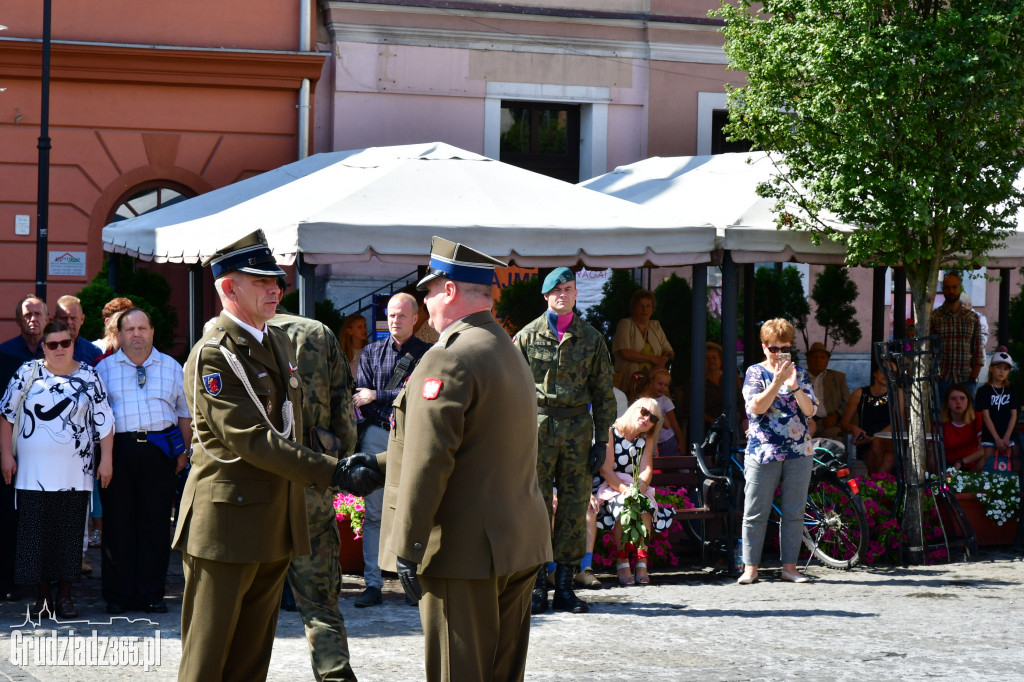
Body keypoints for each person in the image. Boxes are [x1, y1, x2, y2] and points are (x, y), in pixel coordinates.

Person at [349, 236, 551, 682]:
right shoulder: (506, 349)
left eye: (428, 290)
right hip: (516, 542)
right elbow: (475, 444)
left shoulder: (450, 356)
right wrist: (378, 465)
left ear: (450, 291)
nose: (425, 301)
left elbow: (430, 460)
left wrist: (409, 546)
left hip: (465, 552)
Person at [172, 230, 356, 682]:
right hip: (228, 526)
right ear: (228, 288)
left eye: (276, 280)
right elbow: (252, 439)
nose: (276, 288)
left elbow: (292, 423)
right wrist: (334, 471)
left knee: (250, 663)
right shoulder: (214, 355)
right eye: (260, 281)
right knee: (208, 662)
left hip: (274, 521)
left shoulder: (276, 341)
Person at [513, 267, 616, 615]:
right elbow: (511, 391)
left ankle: (567, 587)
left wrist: (601, 441)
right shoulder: (526, 337)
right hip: (537, 428)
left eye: (569, 289)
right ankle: (538, 585)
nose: (563, 295)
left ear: (575, 295)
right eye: (556, 290)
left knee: (573, 507)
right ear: (546, 296)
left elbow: (604, 394)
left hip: (576, 428)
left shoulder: (591, 338)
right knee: (537, 506)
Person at [270, 286, 360, 682]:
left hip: (256, 484)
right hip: (311, 478)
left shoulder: (229, 336)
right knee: (320, 601)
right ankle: (335, 675)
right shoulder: (318, 333)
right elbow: (345, 407)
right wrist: (334, 467)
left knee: (245, 601)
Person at [0, 321, 114, 618]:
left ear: (73, 344)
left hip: (76, 474)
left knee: (69, 537)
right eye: (53, 345)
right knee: (35, 536)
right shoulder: (27, 373)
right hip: (32, 474)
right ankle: (42, 598)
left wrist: (107, 459)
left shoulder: (89, 375)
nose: (60, 349)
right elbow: (6, 414)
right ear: (44, 347)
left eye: (66, 343)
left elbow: (105, 421)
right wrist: (5, 456)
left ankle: (65, 597)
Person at [95, 308, 190, 615]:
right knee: (118, 524)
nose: (136, 334)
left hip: (159, 451)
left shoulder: (172, 367)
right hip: (118, 451)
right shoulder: (104, 369)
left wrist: (183, 451)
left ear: (152, 332)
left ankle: (151, 593)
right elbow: (97, 418)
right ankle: (118, 594)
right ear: (119, 335)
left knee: (156, 524)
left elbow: (184, 413)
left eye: (142, 328)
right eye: (130, 329)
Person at [351, 292, 430, 608]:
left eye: (401, 315)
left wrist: (379, 396)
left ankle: (413, 583)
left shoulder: (427, 355)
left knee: (415, 510)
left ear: (415, 318)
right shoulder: (371, 353)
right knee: (373, 513)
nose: (395, 321)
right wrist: (386, 404)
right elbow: (360, 398)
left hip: (412, 440)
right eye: (391, 315)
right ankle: (373, 584)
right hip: (377, 437)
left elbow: (421, 397)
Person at [737, 318, 817, 585]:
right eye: (774, 349)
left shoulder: (801, 374)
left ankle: (790, 568)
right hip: (763, 450)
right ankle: (750, 568)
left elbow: (810, 411)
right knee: (756, 511)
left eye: (785, 349)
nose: (779, 354)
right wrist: (777, 382)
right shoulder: (755, 372)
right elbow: (756, 408)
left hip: (798, 451)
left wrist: (793, 386)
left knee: (794, 511)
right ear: (764, 347)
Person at [595, 397, 664, 586]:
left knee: (645, 505)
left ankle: (642, 562)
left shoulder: (646, 438)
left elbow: (646, 469)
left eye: (653, 419)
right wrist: (625, 490)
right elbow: (606, 470)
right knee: (624, 506)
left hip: (635, 486)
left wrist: (639, 489)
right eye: (644, 412)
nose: (647, 419)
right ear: (634, 409)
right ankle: (622, 560)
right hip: (611, 486)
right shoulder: (612, 432)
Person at [931, 272, 983, 399]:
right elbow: (929, 349)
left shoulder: (972, 318)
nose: (951, 291)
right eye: (947, 288)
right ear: (943, 290)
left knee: (965, 418)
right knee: (941, 418)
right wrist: (934, 374)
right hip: (942, 379)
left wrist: (973, 377)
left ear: (960, 288)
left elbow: (978, 350)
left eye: (954, 287)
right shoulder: (935, 317)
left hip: (966, 379)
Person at [841, 360, 899, 474]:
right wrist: (853, 428)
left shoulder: (897, 394)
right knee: (884, 456)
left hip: (889, 441)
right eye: (883, 370)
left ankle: (874, 486)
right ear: (875, 373)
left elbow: (897, 423)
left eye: (892, 372)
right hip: (865, 442)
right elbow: (844, 423)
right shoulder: (859, 393)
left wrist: (875, 438)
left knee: (886, 454)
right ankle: (880, 486)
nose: (887, 374)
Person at [612, 289, 674, 381]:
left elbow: (670, 352)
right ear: (634, 308)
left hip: (652, 382)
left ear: (652, 309)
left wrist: (661, 362)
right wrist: (653, 359)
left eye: (648, 306)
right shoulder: (625, 324)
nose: (645, 310)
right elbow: (625, 353)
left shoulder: (656, 326)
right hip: (630, 381)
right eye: (641, 306)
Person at [975, 349, 1018, 474]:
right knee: (987, 463)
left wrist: (1006, 437)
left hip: (1007, 435)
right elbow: (986, 416)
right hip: (990, 434)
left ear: (1009, 371)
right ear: (991, 368)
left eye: (1005, 369)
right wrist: (997, 439)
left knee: (1005, 465)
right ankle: (967, 481)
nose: (1002, 371)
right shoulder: (984, 391)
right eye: (998, 367)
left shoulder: (1011, 390)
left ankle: (1003, 491)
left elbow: (1014, 415)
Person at [0, 351, 21, 602]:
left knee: (6, 520)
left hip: (5, 454)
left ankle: (7, 581)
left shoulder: (9, 362)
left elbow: (10, 413)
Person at [805, 342, 849, 440]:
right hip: (803, 423)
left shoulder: (838, 378)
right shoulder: (799, 377)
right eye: (814, 357)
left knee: (833, 439)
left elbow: (847, 403)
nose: (818, 360)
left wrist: (837, 415)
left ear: (827, 361)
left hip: (828, 424)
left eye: (822, 357)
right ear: (807, 360)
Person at [941, 384, 984, 472]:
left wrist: (961, 462)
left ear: (968, 401)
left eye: (962, 398)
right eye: (953, 399)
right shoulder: (940, 423)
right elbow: (932, 455)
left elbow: (984, 449)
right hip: (948, 469)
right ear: (947, 403)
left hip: (973, 468)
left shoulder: (978, 417)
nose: (958, 402)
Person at [54, 295, 103, 366]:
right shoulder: (47, 348)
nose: (69, 322)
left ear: (82, 319)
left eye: (73, 318)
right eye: (64, 318)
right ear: (55, 319)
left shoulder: (93, 352)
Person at [0, 295, 47, 362]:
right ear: (18, 321)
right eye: (28, 315)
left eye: (38, 314)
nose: (33, 319)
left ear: (46, 320)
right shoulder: (4, 351)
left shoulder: (56, 349)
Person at [649, 368, 684, 457]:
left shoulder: (666, 402)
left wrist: (681, 441)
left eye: (666, 385)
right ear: (651, 382)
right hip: (652, 441)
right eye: (660, 384)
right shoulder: (646, 400)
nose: (663, 387)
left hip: (668, 441)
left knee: (676, 465)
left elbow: (673, 422)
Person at [339, 313, 369, 380]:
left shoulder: (370, 352)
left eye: (365, 326)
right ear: (349, 331)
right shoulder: (342, 355)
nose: (364, 330)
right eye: (359, 327)